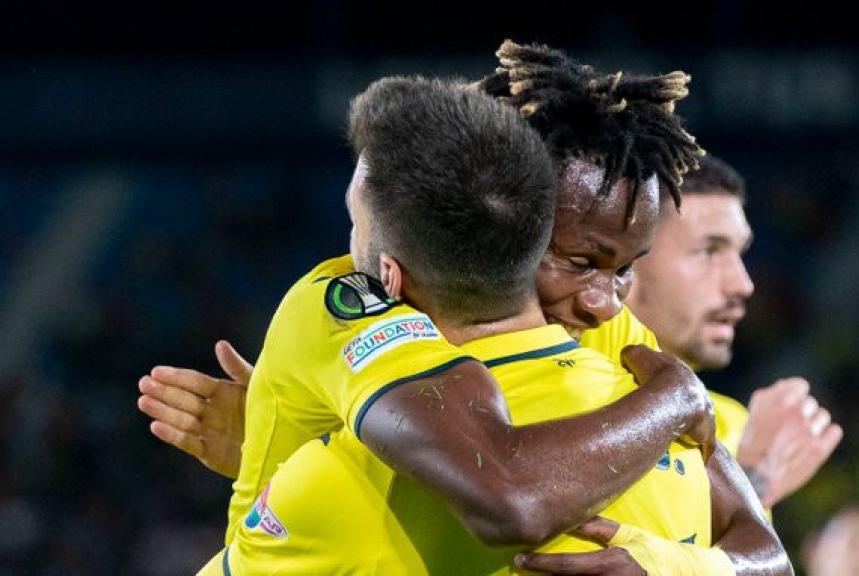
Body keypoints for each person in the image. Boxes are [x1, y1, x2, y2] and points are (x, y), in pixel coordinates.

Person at [144, 44, 790, 575]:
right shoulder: (352, 302)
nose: (604, 302)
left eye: (624, 269)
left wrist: (678, 567)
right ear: (514, 221)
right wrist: (673, 398)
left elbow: (766, 557)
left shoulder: (606, 327)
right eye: (579, 261)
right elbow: (510, 494)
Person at [620, 155, 843, 508]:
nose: (743, 284)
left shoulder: (738, 427)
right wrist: (753, 485)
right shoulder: (575, 398)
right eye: (709, 251)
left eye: (740, 253)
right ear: (626, 265)